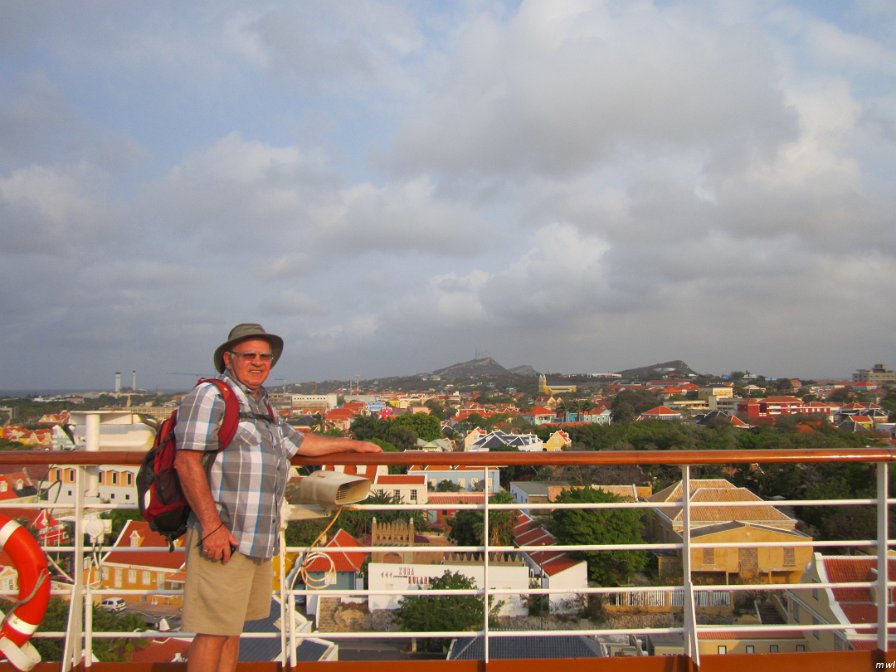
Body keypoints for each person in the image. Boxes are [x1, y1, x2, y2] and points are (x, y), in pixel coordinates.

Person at [174, 323, 381, 671]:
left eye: (264, 356)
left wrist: (352, 444)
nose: (258, 362)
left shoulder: (262, 403)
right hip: (224, 530)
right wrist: (211, 527)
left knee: (231, 628)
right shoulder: (212, 395)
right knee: (212, 631)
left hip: (257, 536)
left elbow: (298, 443)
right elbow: (187, 459)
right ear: (228, 358)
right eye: (249, 355)